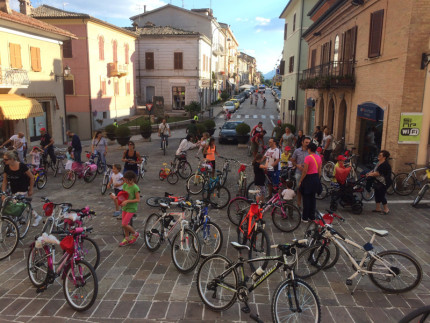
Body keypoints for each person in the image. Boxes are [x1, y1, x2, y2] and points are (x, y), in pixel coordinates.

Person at [1, 150, 41, 226]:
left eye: (6, 159)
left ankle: (14, 226)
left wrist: (31, 189)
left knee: (15, 205)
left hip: (23, 189)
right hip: (14, 190)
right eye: (4, 159)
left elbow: (32, 177)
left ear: (12, 159)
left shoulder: (22, 166)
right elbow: (5, 181)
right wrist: (3, 192)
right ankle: (36, 216)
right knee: (24, 204)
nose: (4, 161)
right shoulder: (6, 167)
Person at [298, 142, 322, 222]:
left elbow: (305, 171)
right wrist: (317, 180)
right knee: (313, 198)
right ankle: (312, 216)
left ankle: (305, 217)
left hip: (308, 178)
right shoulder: (319, 158)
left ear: (310, 149)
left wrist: (301, 180)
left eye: (308, 148)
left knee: (306, 199)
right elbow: (319, 171)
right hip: (315, 178)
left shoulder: (308, 158)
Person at [117, 170, 140, 246]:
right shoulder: (125, 185)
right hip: (125, 207)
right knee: (124, 224)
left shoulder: (135, 187)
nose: (125, 181)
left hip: (131, 208)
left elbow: (137, 199)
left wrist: (127, 201)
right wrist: (120, 201)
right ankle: (126, 238)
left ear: (132, 179)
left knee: (124, 224)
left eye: (127, 180)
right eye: (125, 180)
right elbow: (123, 195)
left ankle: (135, 234)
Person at [366, 150, 392, 214]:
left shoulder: (385, 164)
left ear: (384, 157)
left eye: (380, 155)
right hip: (378, 181)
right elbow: (374, 170)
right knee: (377, 194)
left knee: (381, 195)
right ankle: (378, 208)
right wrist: (369, 173)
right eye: (379, 155)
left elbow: (378, 173)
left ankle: (386, 209)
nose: (378, 156)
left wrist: (370, 174)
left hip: (384, 182)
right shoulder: (379, 162)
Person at [291, 137, 310, 208]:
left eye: (309, 142)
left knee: (307, 189)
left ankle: (306, 204)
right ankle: (298, 203)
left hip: (308, 173)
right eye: (306, 142)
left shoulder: (311, 151)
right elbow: (292, 160)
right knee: (299, 188)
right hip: (299, 172)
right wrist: (297, 165)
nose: (308, 144)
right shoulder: (297, 151)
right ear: (302, 142)